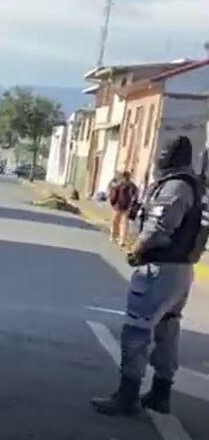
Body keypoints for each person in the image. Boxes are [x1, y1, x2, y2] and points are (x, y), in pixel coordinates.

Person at [92, 136, 208, 417]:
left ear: (171, 157)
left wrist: (137, 248)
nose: (159, 158)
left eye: (164, 153)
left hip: (161, 269)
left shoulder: (175, 186)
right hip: (180, 270)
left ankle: (127, 395)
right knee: (168, 329)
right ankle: (160, 393)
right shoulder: (192, 184)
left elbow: (158, 227)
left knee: (136, 329)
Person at [108, 171, 139, 247]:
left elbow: (113, 195)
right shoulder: (131, 185)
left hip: (118, 206)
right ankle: (120, 239)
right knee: (123, 224)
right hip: (125, 206)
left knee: (116, 222)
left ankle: (115, 236)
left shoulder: (119, 185)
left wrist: (112, 203)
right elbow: (136, 194)